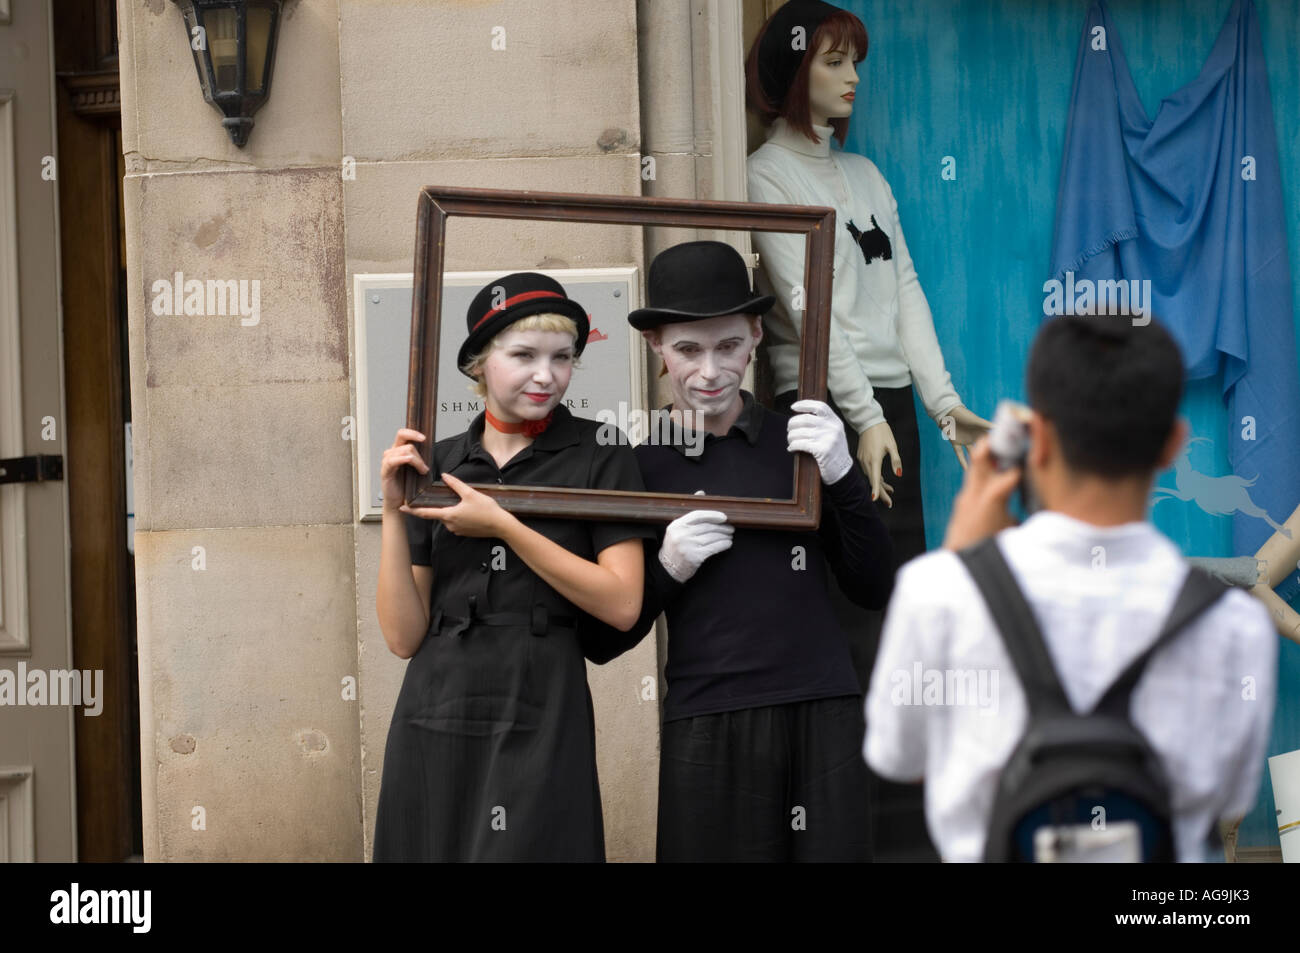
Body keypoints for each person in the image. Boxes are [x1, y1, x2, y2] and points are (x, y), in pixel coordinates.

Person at [863, 313, 1279, 862]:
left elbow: (898, 758)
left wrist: (964, 566)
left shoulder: (936, 592)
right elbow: (1228, 797)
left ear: (1037, 440)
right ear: (1172, 445)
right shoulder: (1234, 624)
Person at [744, 0, 990, 857]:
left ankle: (909, 832)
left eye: (858, 62)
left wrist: (940, 401)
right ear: (792, 70)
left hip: (890, 419)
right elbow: (806, 312)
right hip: (819, 417)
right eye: (834, 61)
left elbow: (906, 289)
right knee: (848, 619)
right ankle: (845, 834)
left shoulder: (871, 176)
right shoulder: (766, 176)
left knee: (901, 622)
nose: (853, 78)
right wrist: (859, 420)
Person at [601, 240, 894, 862]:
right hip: (708, 718)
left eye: (728, 345)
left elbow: (873, 586)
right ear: (656, 344)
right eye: (688, 350)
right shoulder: (635, 461)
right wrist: (667, 569)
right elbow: (607, 639)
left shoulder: (801, 438)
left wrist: (841, 474)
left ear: (757, 333)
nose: (710, 371)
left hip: (821, 707)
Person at [371, 272, 654, 862]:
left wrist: (503, 526)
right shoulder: (438, 461)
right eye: (523, 355)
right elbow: (402, 637)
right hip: (438, 699)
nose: (545, 375)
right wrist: (394, 513)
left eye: (562, 358)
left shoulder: (602, 450)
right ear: (478, 363)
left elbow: (623, 604)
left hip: (542, 695)